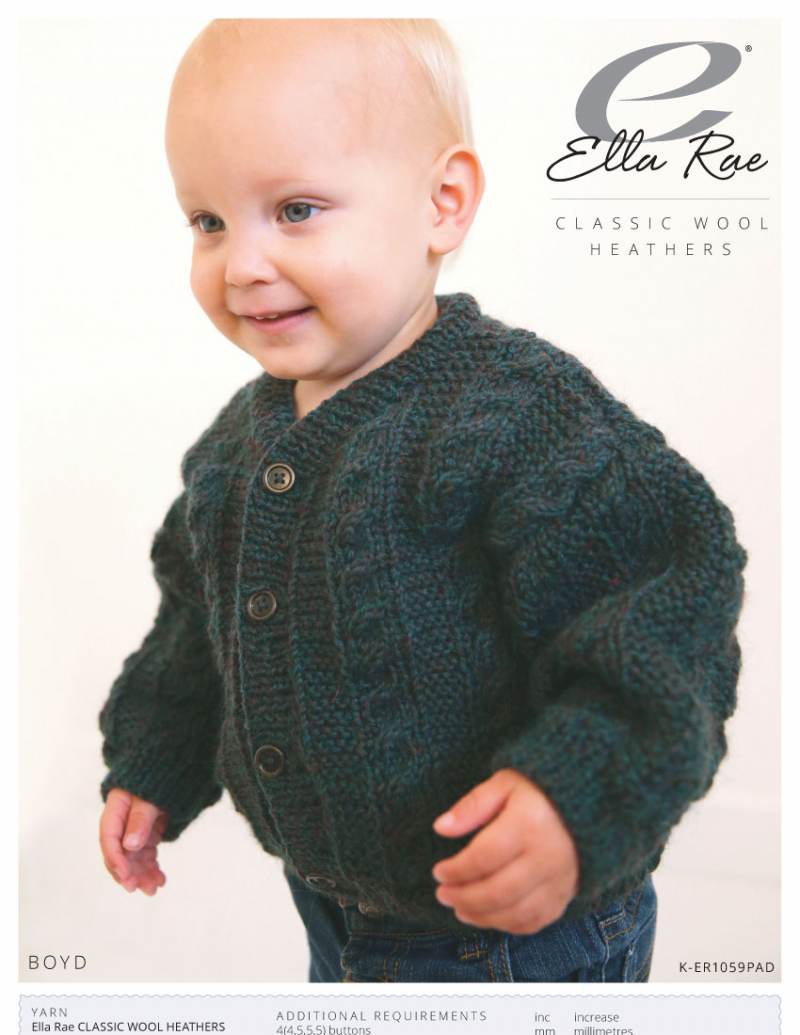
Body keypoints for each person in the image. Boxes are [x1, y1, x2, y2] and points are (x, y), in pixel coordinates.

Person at [97, 18, 747, 983]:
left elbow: (662, 606)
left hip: (513, 931)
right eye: (209, 222)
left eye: (297, 210)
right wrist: (155, 757)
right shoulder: (237, 445)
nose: (241, 265)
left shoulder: (513, 412)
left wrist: (574, 795)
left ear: (442, 204)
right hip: (339, 911)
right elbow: (198, 624)